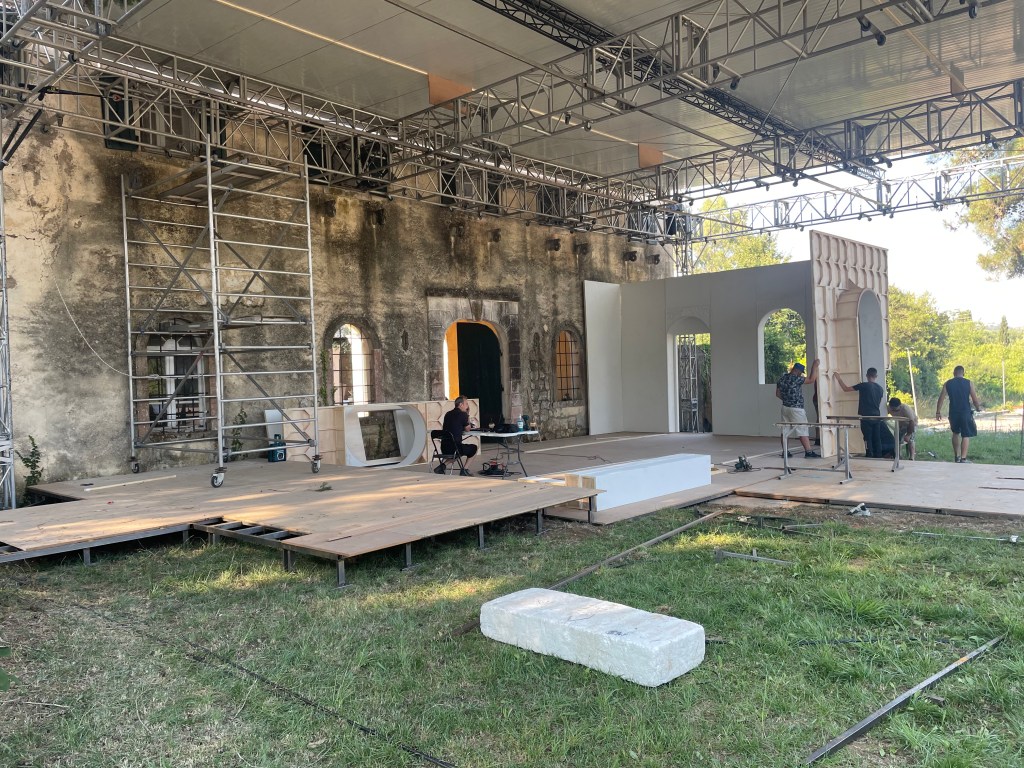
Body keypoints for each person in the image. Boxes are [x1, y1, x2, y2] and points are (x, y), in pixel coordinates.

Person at [834, 368, 885, 458]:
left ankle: (869, 454)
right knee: (877, 437)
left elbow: (845, 389)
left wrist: (838, 378)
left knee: (867, 437)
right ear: (876, 376)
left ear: (867, 375)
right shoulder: (880, 389)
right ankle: (879, 455)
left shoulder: (863, 385)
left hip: (866, 416)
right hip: (877, 416)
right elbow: (878, 403)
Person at [935, 365, 982, 463]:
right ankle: (963, 459)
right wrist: (978, 407)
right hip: (965, 412)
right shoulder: (969, 383)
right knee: (966, 434)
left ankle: (957, 457)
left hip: (953, 412)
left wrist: (938, 412)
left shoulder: (948, 383)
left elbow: (941, 399)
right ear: (963, 373)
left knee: (955, 433)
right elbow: (974, 399)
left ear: (954, 373)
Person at [776, 360, 821, 458]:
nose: (801, 374)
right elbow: (811, 380)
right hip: (796, 409)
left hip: (785, 408)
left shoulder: (782, 379)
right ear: (797, 371)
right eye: (801, 372)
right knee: (802, 429)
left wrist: (787, 399)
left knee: (785, 430)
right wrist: (814, 366)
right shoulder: (796, 379)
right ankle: (808, 452)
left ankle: (785, 452)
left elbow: (778, 394)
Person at [437, 395, 478, 475]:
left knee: (458, 451)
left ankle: (443, 466)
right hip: (455, 448)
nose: (467, 406)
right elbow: (468, 429)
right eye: (466, 404)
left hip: (444, 447)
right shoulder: (463, 415)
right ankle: (464, 470)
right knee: (474, 448)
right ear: (461, 405)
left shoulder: (448, 414)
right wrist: (467, 414)